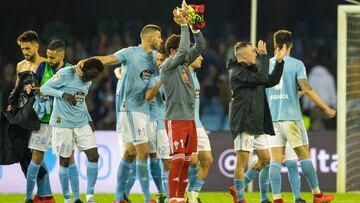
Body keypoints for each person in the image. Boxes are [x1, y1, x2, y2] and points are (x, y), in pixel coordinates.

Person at [78, 24, 163, 203]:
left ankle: (119, 198)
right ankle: (148, 199)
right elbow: (108, 59)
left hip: (145, 110)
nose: (161, 40)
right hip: (129, 108)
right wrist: (86, 61)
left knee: (130, 153)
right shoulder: (130, 52)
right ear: (149, 38)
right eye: (159, 37)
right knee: (143, 152)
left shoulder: (155, 57)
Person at [266, 30, 336, 203]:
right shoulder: (297, 64)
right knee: (304, 156)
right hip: (291, 118)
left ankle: (277, 199)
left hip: (272, 118)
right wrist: (325, 107)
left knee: (275, 160)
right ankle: (318, 195)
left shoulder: (266, 64)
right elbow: (307, 89)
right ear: (291, 45)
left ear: (275, 44)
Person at [227, 40, 286, 203]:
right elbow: (261, 77)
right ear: (244, 55)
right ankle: (240, 198)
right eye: (253, 52)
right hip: (244, 122)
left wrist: (279, 62)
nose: (256, 54)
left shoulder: (254, 72)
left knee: (266, 159)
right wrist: (264, 56)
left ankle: (239, 186)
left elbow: (272, 80)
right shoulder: (236, 72)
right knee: (242, 161)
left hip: (257, 123)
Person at [41, 58, 104, 203]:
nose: (90, 79)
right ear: (85, 69)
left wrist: (89, 118)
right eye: (89, 75)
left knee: (94, 156)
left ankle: (89, 196)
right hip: (62, 123)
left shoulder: (88, 81)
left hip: (81, 122)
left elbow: (81, 101)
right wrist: (63, 94)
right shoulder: (65, 73)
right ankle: (67, 199)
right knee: (64, 161)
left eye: (94, 77)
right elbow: (44, 88)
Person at [26, 39, 82, 203]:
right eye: (47, 56)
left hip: (63, 122)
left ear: (62, 55)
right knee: (36, 157)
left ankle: (75, 198)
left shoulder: (72, 70)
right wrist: (30, 88)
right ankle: (28, 197)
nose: (48, 60)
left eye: (52, 57)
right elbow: (36, 87)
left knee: (68, 158)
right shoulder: (42, 67)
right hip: (43, 121)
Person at [160, 9, 206, 203]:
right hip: (175, 119)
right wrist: (183, 24)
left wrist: (194, 27)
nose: (187, 51)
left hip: (189, 120)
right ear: (173, 51)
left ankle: (180, 198)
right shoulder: (168, 65)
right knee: (177, 160)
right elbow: (184, 48)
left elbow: (201, 45)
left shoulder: (185, 64)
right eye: (181, 49)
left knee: (187, 162)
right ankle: (173, 199)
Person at [12, 30, 55, 203]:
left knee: (35, 154)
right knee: (25, 153)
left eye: (28, 48)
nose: (25, 52)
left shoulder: (46, 65)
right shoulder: (20, 66)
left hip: (41, 115)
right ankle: (46, 195)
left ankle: (42, 195)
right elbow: (17, 89)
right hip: (23, 114)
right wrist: (12, 106)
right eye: (23, 49)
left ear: (37, 46)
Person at [145, 47, 171, 203]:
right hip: (149, 122)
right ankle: (163, 193)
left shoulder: (171, 77)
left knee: (167, 161)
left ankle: (169, 197)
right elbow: (147, 96)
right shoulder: (150, 77)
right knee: (153, 159)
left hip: (163, 122)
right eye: (158, 59)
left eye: (162, 60)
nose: (159, 63)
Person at [187, 55, 213, 203]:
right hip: (186, 125)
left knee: (207, 160)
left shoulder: (195, 75)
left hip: (198, 124)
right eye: (198, 56)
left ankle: (193, 195)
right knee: (192, 161)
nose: (202, 58)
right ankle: (183, 195)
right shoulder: (182, 76)